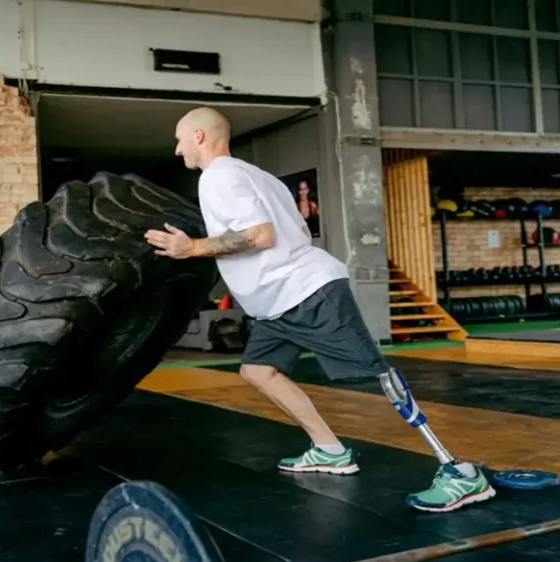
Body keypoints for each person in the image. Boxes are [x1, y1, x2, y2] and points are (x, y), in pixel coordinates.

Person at [144, 107, 495, 513]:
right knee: (257, 371)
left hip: (306, 292)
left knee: (375, 375)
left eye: (180, 138)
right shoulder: (258, 176)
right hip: (275, 304)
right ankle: (329, 450)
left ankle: (459, 473)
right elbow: (294, 230)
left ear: (200, 137)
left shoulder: (218, 176)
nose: (176, 149)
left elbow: (260, 235)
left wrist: (193, 248)